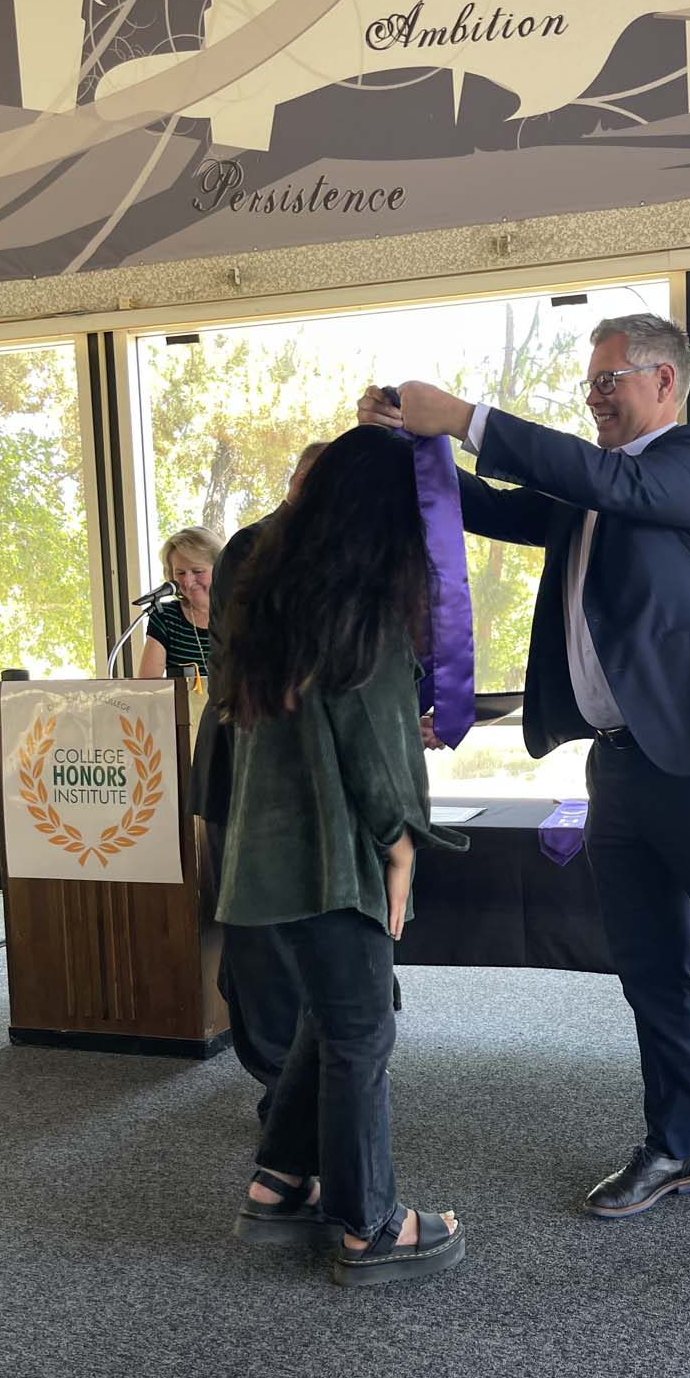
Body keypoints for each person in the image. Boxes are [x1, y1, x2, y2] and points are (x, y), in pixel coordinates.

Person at [358, 312, 690, 1244]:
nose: (595, 396)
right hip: (620, 767)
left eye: (611, 381)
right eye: (591, 383)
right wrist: (408, 445)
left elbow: (600, 477)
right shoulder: (593, 489)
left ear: (665, 384)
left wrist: (470, 414)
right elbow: (489, 503)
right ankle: (674, 1145)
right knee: (648, 970)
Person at [216, 425, 467, 1287]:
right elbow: (370, 745)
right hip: (337, 858)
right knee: (364, 1029)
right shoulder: (363, 610)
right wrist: (400, 846)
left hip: (271, 855)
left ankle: (279, 1184)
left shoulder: (273, 590)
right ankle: (368, 1226)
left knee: (330, 1016)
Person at [191, 443, 328, 1120]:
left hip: (304, 771)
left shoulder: (332, 548)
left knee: (298, 932)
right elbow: (280, 665)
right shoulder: (253, 550)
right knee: (261, 935)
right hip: (248, 765)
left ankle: (303, 1073)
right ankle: (281, 1084)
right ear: (300, 484)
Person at [138, 526, 223, 679]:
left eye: (197, 571)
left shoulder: (246, 615)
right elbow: (147, 688)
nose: (188, 581)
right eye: (180, 573)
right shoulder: (165, 617)